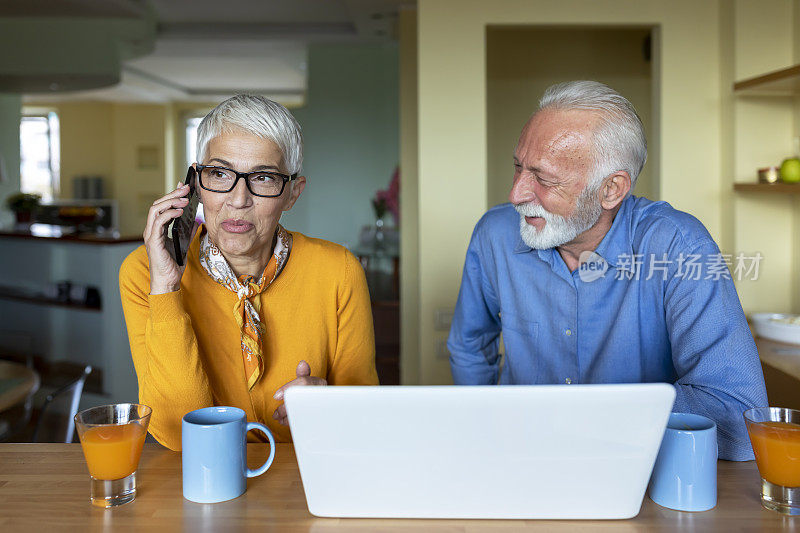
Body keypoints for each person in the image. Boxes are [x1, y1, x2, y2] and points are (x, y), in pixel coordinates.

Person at [447, 80, 767, 460]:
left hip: (638, 469)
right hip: (521, 458)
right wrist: (483, 430)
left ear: (612, 189)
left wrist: (580, 419)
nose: (516, 193)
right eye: (518, 167)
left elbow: (735, 411)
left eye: (544, 179)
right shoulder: (494, 235)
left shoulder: (679, 247)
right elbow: (469, 345)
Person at [120, 94, 378, 450]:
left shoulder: (339, 270)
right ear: (195, 185)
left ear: (291, 194)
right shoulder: (142, 274)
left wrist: (330, 400)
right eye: (219, 173)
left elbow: (366, 413)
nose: (238, 199)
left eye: (264, 178)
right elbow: (178, 433)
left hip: (302, 475)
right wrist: (166, 288)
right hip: (199, 480)